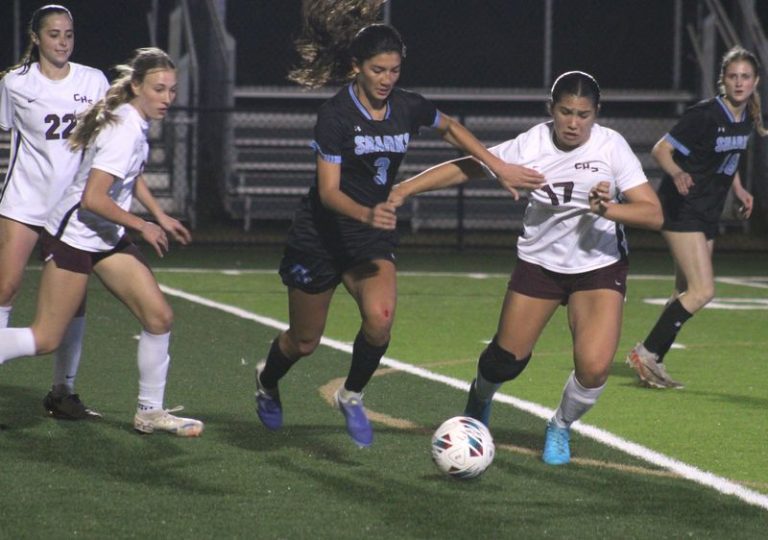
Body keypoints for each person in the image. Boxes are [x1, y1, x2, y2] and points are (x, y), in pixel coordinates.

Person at [253, 1, 544, 448]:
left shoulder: (405, 107)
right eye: (378, 70)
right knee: (304, 341)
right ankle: (267, 382)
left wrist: (497, 165)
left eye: (394, 70)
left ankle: (351, 395)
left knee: (380, 319)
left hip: (370, 234)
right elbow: (329, 194)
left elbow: (449, 127)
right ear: (357, 68)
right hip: (321, 236)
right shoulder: (335, 116)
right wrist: (369, 212)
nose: (388, 79)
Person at [389, 71, 663, 465]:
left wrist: (610, 209)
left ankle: (560, 426)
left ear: (596, 114)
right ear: (551, 110)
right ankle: (480, 398)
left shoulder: (611, 147)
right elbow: (467, 166)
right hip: (541, 264)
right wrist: (404, 189)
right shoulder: (530, 145)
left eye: (584, 114)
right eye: (566, 112)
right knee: (507, 359)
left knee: (594, 367)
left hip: (599, 266)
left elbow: (653, 214)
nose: (574, 122)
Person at [0, 47, 203, 437]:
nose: (167, 98)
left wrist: (159, 215)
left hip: (104, 236)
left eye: (172, 91)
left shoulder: (133, 121)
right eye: (159, 89)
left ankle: (149, 412)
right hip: (75, 236)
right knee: (45, 337)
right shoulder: (125, 129)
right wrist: (142, 226)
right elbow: (94, 197)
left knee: (159, 318)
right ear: (137, 86)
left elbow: (130, 176)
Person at [625, 46, 765, 389]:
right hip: (682, 206)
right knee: (703, 291)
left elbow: (726, 159)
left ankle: (653, 359)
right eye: (733, 76)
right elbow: (661, 149)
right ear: (723, 80)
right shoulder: (704, 115)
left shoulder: (746, 116)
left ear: (755, 81)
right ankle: (646, 353)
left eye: (745, 77)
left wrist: (740, 189)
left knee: (685, 290)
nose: (739, 82)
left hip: (707, 210)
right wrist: (676, 173)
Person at [0, 4, 108, 419]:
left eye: (68, 34)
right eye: (53, 34)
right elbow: (8, 136)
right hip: (24, 203)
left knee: (73, 302)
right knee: (6, 287)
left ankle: (63, 392)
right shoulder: (14, 83)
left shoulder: (93, 80)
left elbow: (103, 139)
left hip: (72, 209)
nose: (62, 42)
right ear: (36, 38)